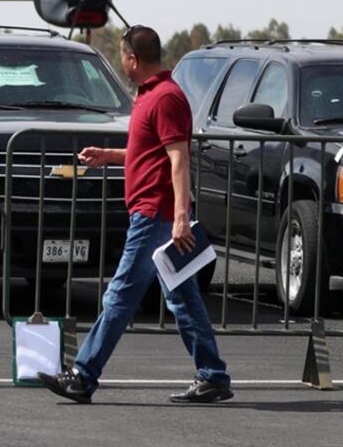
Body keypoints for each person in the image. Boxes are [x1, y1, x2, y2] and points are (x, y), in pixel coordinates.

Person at [38, 25, 232, 404]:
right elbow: (150, 153)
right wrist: (109, 156)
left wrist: (179, 216)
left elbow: (178, 159)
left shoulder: (165, 98)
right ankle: (213, 376)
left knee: (120, 295)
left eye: (122, 56)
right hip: (153, 214)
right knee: (182, 298)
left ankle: (83, 374)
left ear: (132, 59)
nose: (120, 62)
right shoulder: (150, 96)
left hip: (155, 216)